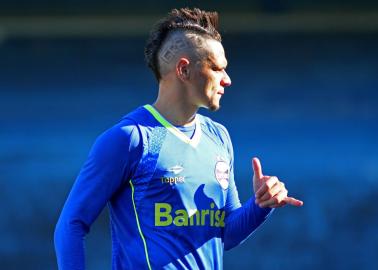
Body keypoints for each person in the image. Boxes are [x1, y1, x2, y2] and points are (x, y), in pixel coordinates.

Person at [54, 7, 303, 270]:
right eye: (217, 68)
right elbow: (70, 226)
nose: (227, 80)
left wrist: (261, 204)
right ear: (184, 70)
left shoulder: (218, 137)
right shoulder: (130, 139)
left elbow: (227, 234)